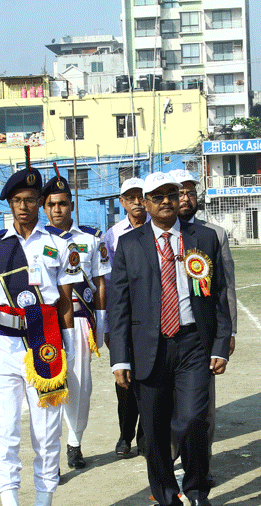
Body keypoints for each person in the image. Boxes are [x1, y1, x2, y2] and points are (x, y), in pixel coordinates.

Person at [108, 172, 231, 506]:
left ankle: (197, 490)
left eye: (171, 194)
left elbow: (220, 294)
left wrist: (222, 343)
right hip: (149, 347)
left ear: (180, 198)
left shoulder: (203, 238)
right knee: (155, 431)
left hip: (193, 342)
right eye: (156, 195)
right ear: (144, 203)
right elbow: (119, 305)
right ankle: (166, 501)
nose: (165, 200)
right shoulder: (129, 245)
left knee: (194, 419)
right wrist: (120, 357)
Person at [0, 159, 76, 506]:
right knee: (6, 433)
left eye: (31, 199)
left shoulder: (57, 245)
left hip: (45, 344)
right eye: (18, 200)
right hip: (4, 344)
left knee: (47, 434)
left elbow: (66, 302)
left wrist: (66, 347)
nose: (24, 206)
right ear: (10, 204)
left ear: (40, 203)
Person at [41, 167, 111, 471]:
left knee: (80, 384)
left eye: (63, 203)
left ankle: (75, 442)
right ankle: (51, 452)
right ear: (45, 207)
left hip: (81, 321)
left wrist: (102, 322)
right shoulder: (35, 240)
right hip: (45, 324)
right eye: (52, 204)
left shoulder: (92, 238)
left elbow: (101, 283)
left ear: (72, 204)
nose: (58, 210)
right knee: (50, 385)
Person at [172, 169, 237, 480]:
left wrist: (229, 333)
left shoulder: (214, 234)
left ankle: (201, 464)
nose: (186, 198)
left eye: (190, 192)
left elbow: (226, 289)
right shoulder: (150, 236)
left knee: (204, 409)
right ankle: (169, 462)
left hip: (202, 336)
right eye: (180, 192)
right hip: (163, 337)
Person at [103, 177, 147, 459]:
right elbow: (108, 283)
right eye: (129, 197)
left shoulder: (160, 228)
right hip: (126, 317)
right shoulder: (113, 235)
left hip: (154, 314)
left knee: (152, 377)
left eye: (140, 196)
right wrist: (109, 325)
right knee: (125, 380)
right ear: (122, 202)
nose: (136, 202)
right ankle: (125, 435)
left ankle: (145, 436)